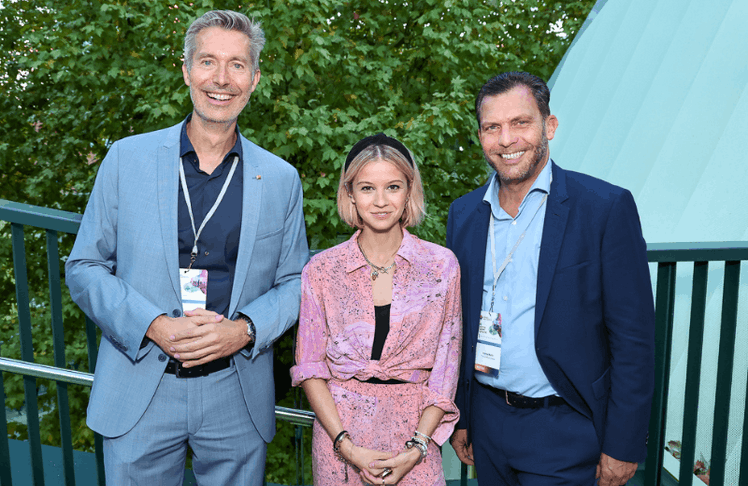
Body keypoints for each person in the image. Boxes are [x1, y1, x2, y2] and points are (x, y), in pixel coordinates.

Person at [65, 10, 308, 485]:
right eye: (208, 62)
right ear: (185, 70)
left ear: (255, 78)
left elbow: (295, 280)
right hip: (141, 386)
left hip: (235, 393)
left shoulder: (280, 178)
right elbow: (85, 266)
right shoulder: (126, 158)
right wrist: (152, 325)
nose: (221, 79)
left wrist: (244, 332)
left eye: (237, 65)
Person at [446, 71, 655, 486]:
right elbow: (459, 326)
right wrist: (462, 416)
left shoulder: (604, 208)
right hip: (487, 422)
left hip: (566, 426)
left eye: (520, 123)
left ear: (549, 126)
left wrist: (623, 443)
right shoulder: (464, 214)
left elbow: (634, 339)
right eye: (492, 127)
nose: (506, 140)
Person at [291, 134, 462, 485]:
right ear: (350, 193)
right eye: (367, 188)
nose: (381, 201)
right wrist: (348, 447)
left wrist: (416, 448)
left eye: (393, 187)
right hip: (340, 439)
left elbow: (446, 369)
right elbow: (310, 367)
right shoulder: (322, 270)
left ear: (409, 191)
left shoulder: (441, 266)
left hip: (416, 440)